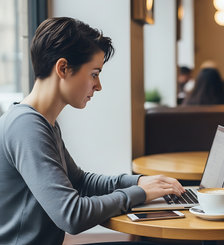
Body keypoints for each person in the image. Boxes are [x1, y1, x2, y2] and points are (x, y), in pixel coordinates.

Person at [0, 17, 185, 245]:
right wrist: (140, 194)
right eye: (94, 74)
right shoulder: (26, 127)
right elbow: (72, 216)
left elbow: (80, 182)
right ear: (63, 68)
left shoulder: (42, 122)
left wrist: (138, 183)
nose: (98, 86)